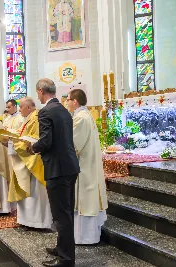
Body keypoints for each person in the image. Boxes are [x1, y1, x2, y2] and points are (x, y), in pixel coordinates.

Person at [30, 78, 80, 267]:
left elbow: (46, 142)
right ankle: (61, 249)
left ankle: (66, 260)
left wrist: (32, 147)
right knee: (65, 213)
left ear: (42, 91)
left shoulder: (45, 112)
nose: (37, 96)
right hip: (69, 167)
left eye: (38, 92)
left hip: (57, 169)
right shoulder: (64, 111)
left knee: (61, 216)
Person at [66, 89, 108, 244]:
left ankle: (85, 238)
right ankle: (84, 236)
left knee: (85, 200)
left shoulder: (81, 118)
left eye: (68, 100)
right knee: (86, 200)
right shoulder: (85, 115)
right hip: (86, 164)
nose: (67, 103)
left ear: (75, 101)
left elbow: (74, 144)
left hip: (84, 166)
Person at [7, 97, 52, 229]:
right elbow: (22, 135)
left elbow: (37, 139)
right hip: (26, 161)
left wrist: (15, 142)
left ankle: (38, 222)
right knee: (27, 191)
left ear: (28, 107)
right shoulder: (28, 119)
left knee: (35, 193)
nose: (19, 110)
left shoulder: (36, 118)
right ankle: (26, 221)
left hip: (34, 161)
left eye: (21, 107)